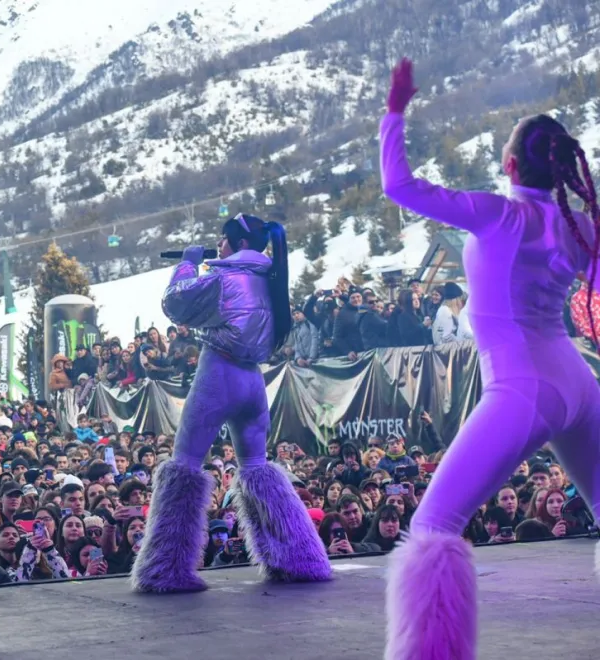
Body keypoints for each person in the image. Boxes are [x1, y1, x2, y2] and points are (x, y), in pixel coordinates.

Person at [379, 58, 600, 660]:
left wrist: (395, 112)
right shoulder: (583, 224)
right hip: (580, 383)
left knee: (431, 530)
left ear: (508, 166)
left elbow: (399, 186)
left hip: (522, 388)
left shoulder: (498, 214)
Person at [130, 213, 330, 592]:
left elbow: (177, 305)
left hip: (217, 376)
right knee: (257, 466)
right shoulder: (272, 281)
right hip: (253, 382)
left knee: (184, 466)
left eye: (222, 241)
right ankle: (301, 556)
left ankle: (165, 567)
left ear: (238, 245)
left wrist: (187, 263)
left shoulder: (223, 279)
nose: (218, 247)